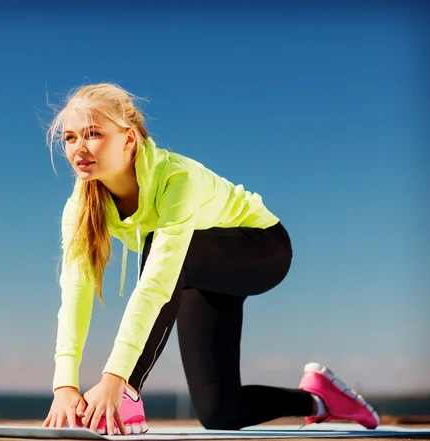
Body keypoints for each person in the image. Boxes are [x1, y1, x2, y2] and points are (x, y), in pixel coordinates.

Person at [41, 83, 379, 436]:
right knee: (219, 411)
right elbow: (75, 293)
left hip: (262, 247)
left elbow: (157, 282)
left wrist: (116, 378)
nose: (79, 148)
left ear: (129, 139)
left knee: (165, 251)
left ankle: (129, 393)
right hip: (200, 270)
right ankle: (320, 400)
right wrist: (64, 384)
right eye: (69, 138)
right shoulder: (80, 206)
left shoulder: (176, 179)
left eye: (93, 134)